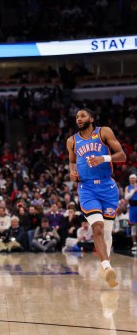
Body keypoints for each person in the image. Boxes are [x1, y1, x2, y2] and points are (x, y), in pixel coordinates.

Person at [66, 108, 126, 287]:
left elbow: (122, 155)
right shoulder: (71, 140)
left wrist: (104, 158)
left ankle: (105, 264)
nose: (79, 118)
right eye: (77, 116)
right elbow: (71, 161)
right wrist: (72, 171)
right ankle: (107, 267)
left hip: (108, 187)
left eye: (83, 115)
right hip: (87, 188)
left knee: (107, 230)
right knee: (97, 228)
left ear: (91, 118)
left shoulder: (104, 132)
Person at [126, 173, 137, 253]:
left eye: (133, 178)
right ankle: (134, 244)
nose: (132, 179)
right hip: (132, 207)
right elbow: (127, 197)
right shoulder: (128, 187)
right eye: (131, 178)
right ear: (129, 179)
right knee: (133, 226)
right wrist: (134, 191)